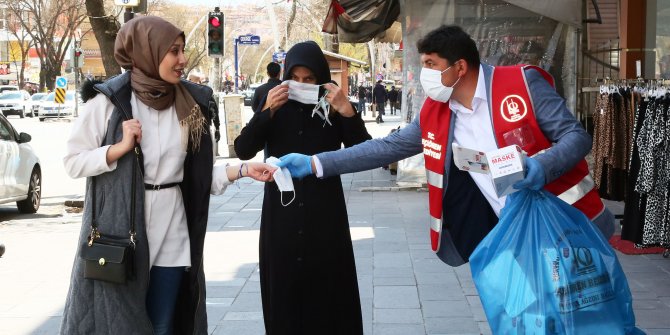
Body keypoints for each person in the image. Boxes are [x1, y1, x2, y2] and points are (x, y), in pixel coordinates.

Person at [276, 25, 616, 267]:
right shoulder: (436, 111)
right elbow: (387, 148)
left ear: (460, 68)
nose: (424, 74)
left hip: (569, 225)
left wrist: (540, 167)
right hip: (508, 235)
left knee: (587, 313)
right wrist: (315, 163)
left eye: (430, 66)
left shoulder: (522, 84)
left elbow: (576, 137)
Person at [59, 16, 275, 335]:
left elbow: (196, 178)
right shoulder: (108, 102)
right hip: (122, 235)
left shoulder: (189, 105)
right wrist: (118, 148)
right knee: (121, 325)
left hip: (173, 231)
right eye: (173, 51)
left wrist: (241, 170)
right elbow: (73, 162)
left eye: (183, 50)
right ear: (148, 51)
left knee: (163, 326)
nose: (182, 59)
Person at [233, 41, 371, 335]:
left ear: (321, 79)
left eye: (309, 80)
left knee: (328, 288)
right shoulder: (274, 106)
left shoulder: (334, 106)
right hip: (282, 212)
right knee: (284, 287)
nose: (301, 85)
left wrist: (347, 111)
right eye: (294, 78)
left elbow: (364, 153)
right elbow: (243, 149)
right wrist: (266, 111)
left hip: (325, 212)